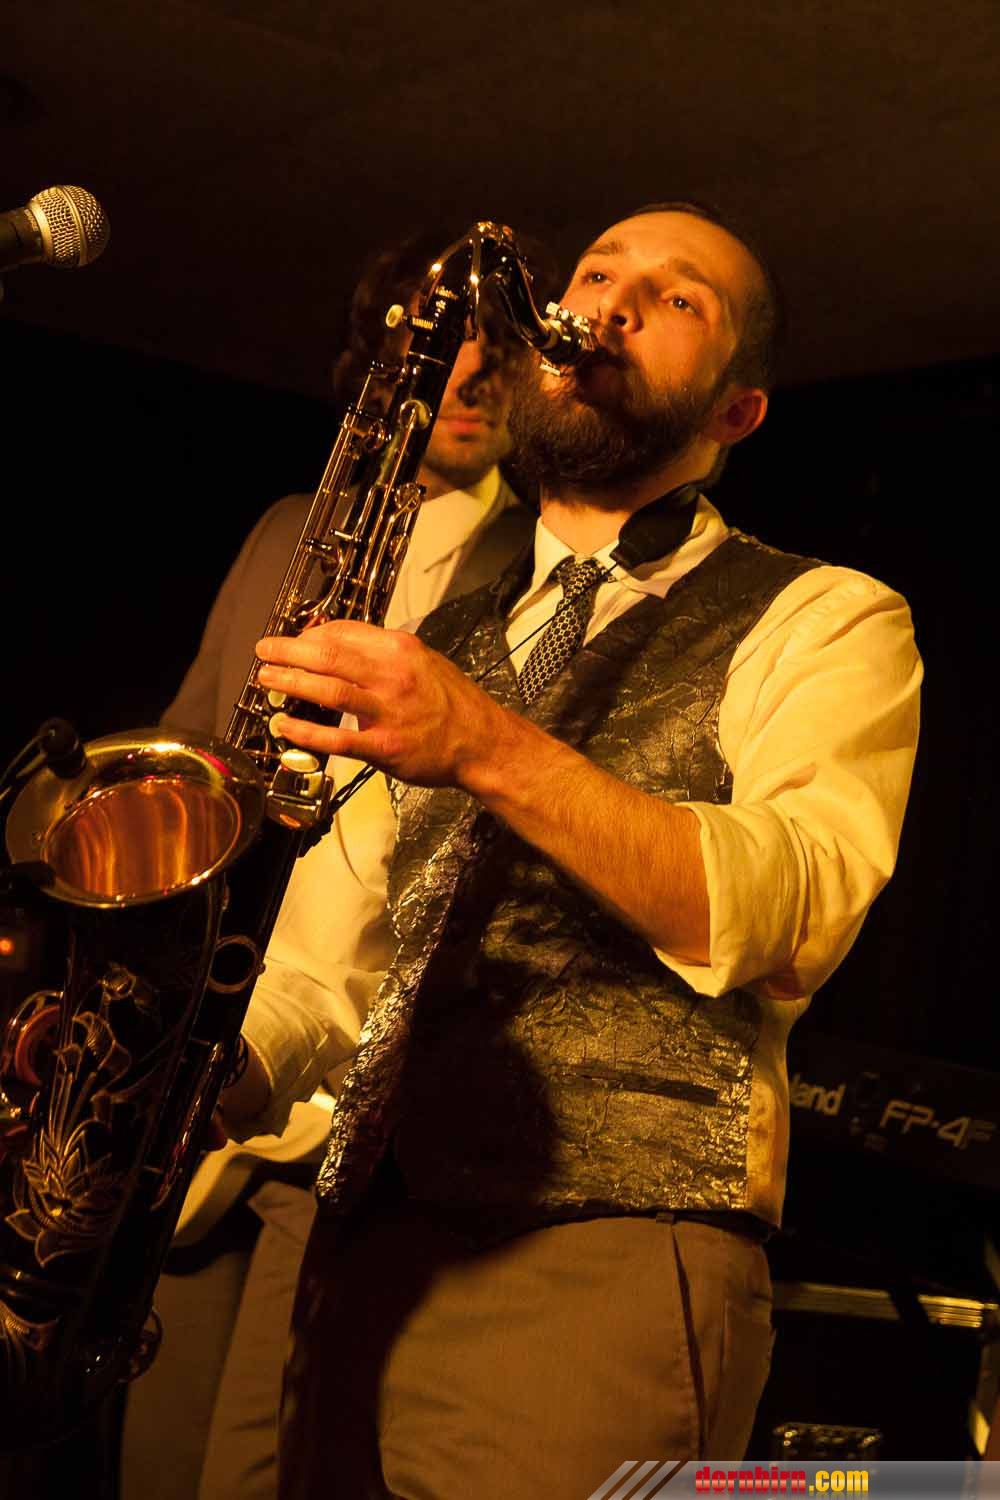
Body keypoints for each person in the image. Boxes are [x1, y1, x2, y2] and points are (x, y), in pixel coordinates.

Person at [220, 202, 922, 1497]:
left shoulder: (828, 616)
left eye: (676, 297)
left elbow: (790, 908)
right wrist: (197, 1075)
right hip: (357, 1254)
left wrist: (483, 742)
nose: (608, 303)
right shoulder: (441, 637)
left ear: (736, 413)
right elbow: (334, 963)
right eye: (596, 273)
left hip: (607, 1256)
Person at [118, 230, 543, 1500]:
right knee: (153, 1464)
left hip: (363, 1089)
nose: (468, 376)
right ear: (383, 367)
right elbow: (190, 754)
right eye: (440, 346)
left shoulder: (550, 568)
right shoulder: (287, 530)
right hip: (212, 1060)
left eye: (499, 351)